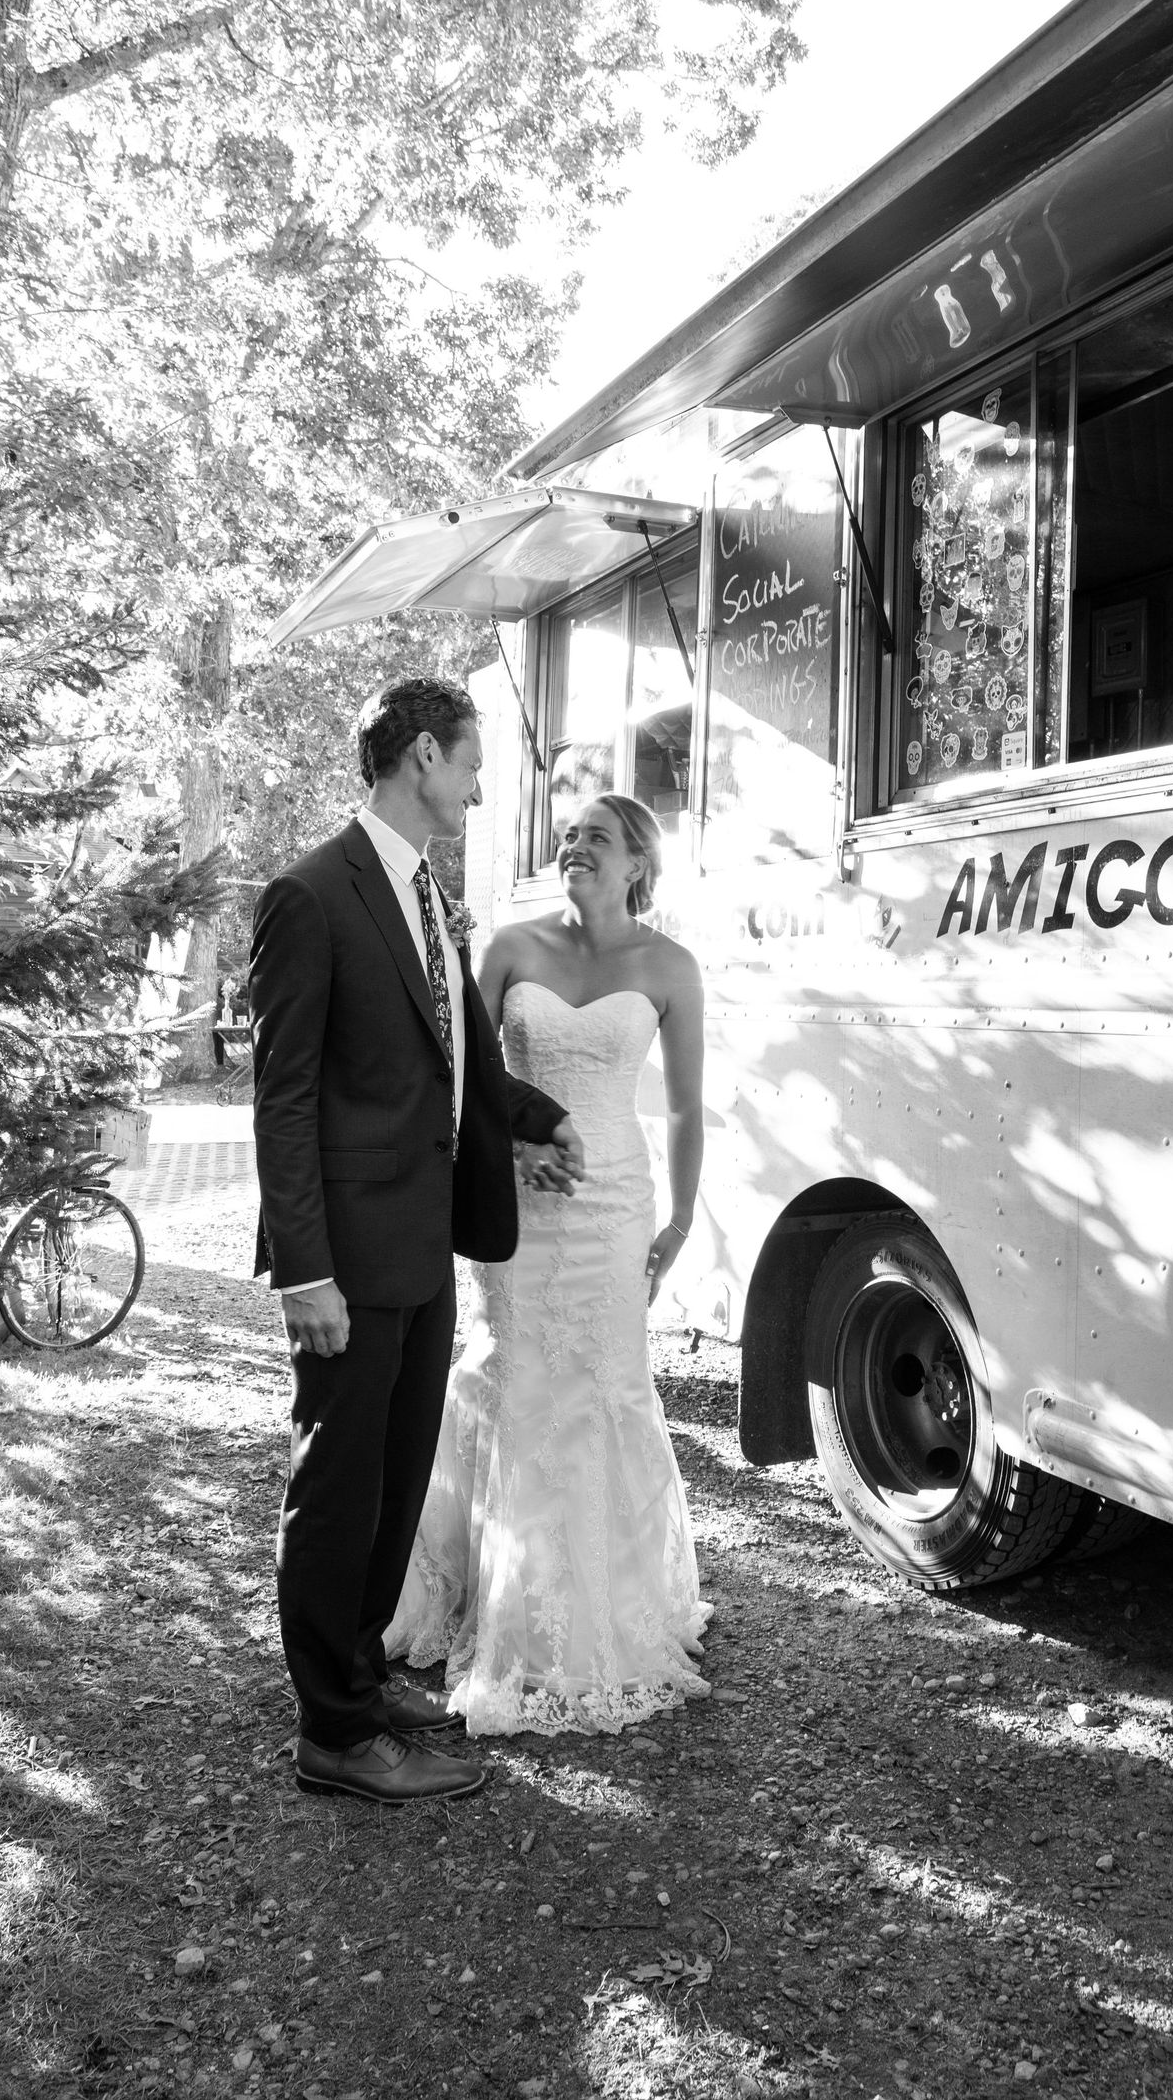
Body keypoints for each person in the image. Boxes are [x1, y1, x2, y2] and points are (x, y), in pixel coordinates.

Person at [249, 679, 585, 1803]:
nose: (480, 786)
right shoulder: (311, 894)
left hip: (425, 1241)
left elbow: (456, 1048)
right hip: (345, 1255)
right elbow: (283, 1098)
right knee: (340, 1483)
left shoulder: (428, 893)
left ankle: (359, 1675)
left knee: (396, 1481)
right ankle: (330, 1735)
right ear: (424, 756)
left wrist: (534, 1118)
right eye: (472, 762)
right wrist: (305, 1268)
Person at [386, 792, 712, 1735]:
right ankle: (495, 1603)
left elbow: (688, 1108)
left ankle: (608, 1606)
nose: (573, 847)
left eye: (596, 839)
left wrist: (683, 1221)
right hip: (519, 1200)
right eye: (567, 835)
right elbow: (458, 1072)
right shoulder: (511, 951)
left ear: (636, 864)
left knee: (605, 1386)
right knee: (518, 1377)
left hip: (615, 1207)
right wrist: (512, 1146)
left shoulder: (669, 966)